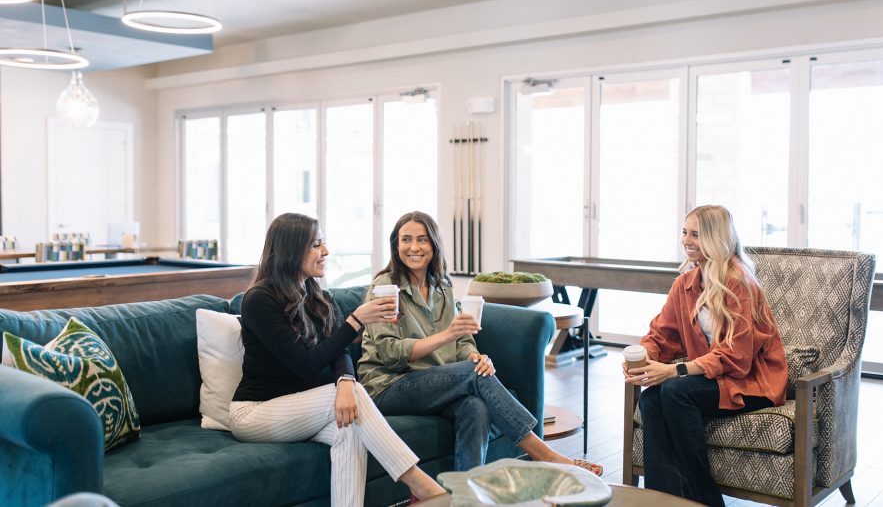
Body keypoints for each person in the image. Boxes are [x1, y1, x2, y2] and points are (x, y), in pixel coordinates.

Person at [358, 211, 603, 475]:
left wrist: (474, 356)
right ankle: (544, 455)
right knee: (472, 376)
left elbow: (462, 339)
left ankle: (467, 495)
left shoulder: (441, 287)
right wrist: (449, 338)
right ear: (396, 246)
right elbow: (389, 354)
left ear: (434, 245)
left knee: (475, 407)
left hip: (431, 383)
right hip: (387, 386)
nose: (414, 247)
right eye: (406, 240)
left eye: (422, 240)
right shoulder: (384, 288)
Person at [229, 213, 445, 507]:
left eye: (324, 243)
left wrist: (344, 381)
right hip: (255, 413)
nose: (326, 252)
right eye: (316, 244)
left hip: (303, 408)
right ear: (292, 250)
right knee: (353, 401)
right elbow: (304, 363)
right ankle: (424, 487)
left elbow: (338, 352)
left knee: (350, 430)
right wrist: (356, 321)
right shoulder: (259, 299)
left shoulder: (316, 295)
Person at [623, 205, 788, 507]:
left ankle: (706, 501)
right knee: (650, 399)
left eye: (696, 234)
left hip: (751, 382)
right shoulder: (685, 283)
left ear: (716, 238)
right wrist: (644, 355)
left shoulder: (740, 283)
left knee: (673, 390)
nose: (687, 240)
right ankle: (663, 501)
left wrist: (674, 371)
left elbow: (737, 358)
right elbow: (663, 334)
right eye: (685, 232)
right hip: (712, 378)